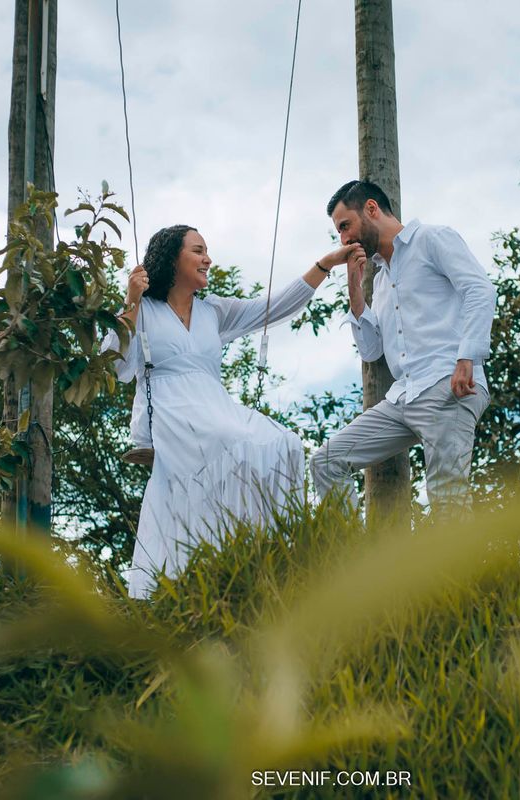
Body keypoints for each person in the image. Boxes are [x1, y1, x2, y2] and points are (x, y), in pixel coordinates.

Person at [102, 225, 356, 598]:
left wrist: (324, 264)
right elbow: (116, 369)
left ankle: (260, 554)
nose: (208, 259)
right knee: (232, 441)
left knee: (282, 442)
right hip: (171, 409)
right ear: (172, 258)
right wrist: (131, 303)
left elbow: (275, 306)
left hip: (213, 405)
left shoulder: (214, 311)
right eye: (198, 251)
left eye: (207, 251)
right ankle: (201, 565)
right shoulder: (145, 310)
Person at [310, 180, 497, 514]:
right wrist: (355, 285)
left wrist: (467, 356)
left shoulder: (432, 238)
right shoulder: (380, 277)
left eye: (344, 226)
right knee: (327, 460)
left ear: (371, 209)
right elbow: (371, 351)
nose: (343, 239)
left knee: (447, 497)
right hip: (403, 398)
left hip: (448, 384)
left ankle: (462, 568)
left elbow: (479, 290)